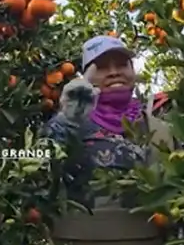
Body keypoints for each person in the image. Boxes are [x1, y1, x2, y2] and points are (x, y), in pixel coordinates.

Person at [42, 35, 173, 205]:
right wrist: (65, 121)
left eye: (121, 64)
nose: (114, 72)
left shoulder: (159, 127)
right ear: (87, 77)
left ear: (132, 71)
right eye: (102, 67)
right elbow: (39, 176)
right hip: (85, 230)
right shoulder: (70, 125)